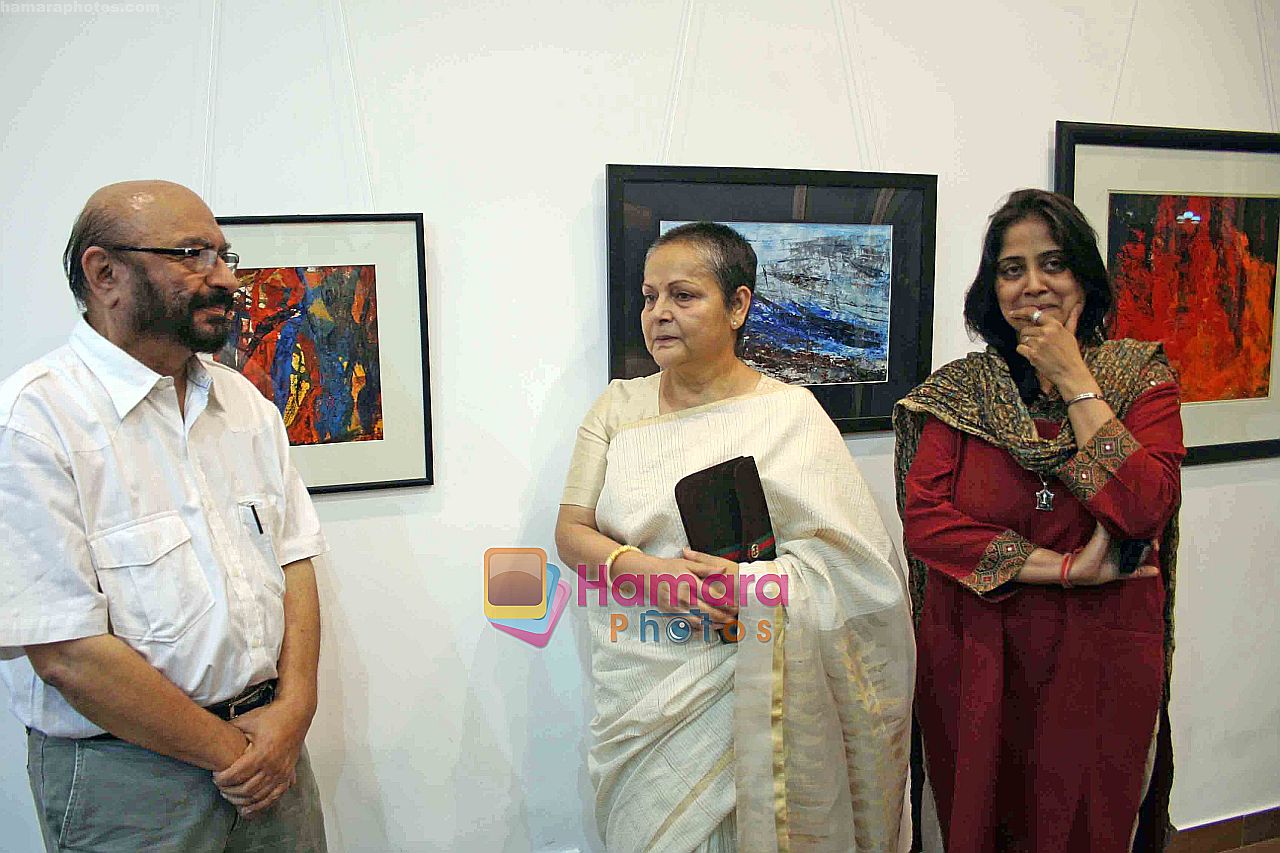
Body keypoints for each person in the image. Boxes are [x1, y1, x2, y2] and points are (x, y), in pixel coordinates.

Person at [556, 221, 914, 852]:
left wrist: (751, 587)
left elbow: (861, 574)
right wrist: (650, 573)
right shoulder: (616, 408)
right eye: (648, 297)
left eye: (683, 295)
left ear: (739, 306)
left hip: (751, 676)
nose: (659, 313)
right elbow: (570, 533)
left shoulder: (790, 414)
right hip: (641, 687)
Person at [0, 180, 328, 852]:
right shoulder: (35, 420)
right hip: (130, 782)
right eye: (193, 254)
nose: (225, 277)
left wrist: (295, 709)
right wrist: (236, 752)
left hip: (274, 751)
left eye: (224, 253)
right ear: (105, 273)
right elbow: (65, 651)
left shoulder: (245, 405)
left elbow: (295, 559)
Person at [893, 189, 1184, 853]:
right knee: (981, 818)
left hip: (1099, 648)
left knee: (1086, 819)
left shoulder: (1141, 380)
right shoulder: (961, 392)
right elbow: (926, 522)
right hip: (979, 648)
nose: (1033, 286)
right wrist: (1062, 568)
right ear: (991, 286)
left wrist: (1075, 380)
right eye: (1012, 267)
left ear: (1083, 274)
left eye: (1052, 264)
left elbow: (1142, 507)